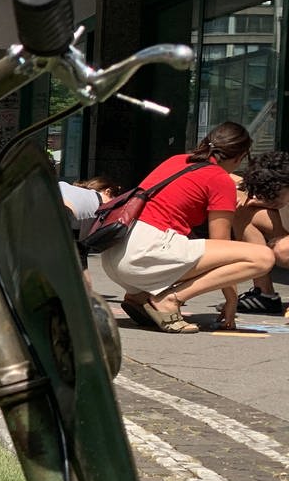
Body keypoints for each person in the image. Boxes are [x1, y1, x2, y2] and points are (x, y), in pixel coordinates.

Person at [103, 122, 288, 334]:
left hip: (115, 254)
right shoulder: (220, 179)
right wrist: (231, 299)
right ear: (239, 157)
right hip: (145, 253)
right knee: (262, 257)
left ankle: (139, 297)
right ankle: (171, 300)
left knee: (188, 248)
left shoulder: (177, 160)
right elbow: (222, 246)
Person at [230, 151, 289, 315]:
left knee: (283, 250)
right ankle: (264, 294)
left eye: (272, 194)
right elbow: (232, 179)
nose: (269, 198)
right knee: (242, 211)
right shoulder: (281, 189)